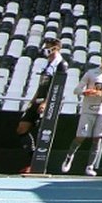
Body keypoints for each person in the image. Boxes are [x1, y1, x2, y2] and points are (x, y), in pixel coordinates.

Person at [60, 48, 102, 176]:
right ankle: (69, 156)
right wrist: (86, 92)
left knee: (98, 138)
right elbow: (77, 89)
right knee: (81, 136)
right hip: (88, 109)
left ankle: (90, 166)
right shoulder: (91, 73)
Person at [16, 37, 68, 173]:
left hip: (49, 103)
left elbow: (57, 87)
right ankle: (32, 158)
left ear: (56, 48)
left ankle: (37, 165)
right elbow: (42, 85)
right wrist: (32, 101)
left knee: (42, 133)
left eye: (48, 47)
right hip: (38, 100)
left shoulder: (61, 64)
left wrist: (46, 102)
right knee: (22, 128)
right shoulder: (47, 64)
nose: (45, 49)